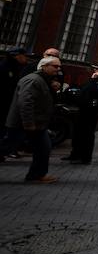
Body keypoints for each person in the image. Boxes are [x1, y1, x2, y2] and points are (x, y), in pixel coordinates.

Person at [6, 56, 62, 184]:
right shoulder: (33, 80)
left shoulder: (44, 80)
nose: (58, 69)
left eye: (59, 66)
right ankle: (36, 175)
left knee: (44, 148)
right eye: (55, 66)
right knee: (7, 146)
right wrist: (28, 123)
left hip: (37, 124)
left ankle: (36, 175)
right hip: (23, 124)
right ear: (44, 66)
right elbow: (25, 102)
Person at [64, 63, 98, 164]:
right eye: (95, 69)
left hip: (92, 112)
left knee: (87, 134)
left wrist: (93, 80)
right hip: (83, 109)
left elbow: (93, 91)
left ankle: (86, 158)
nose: (95, 70)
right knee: (77, 132)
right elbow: (84, 90)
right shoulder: (95, 79)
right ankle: (75, 154)